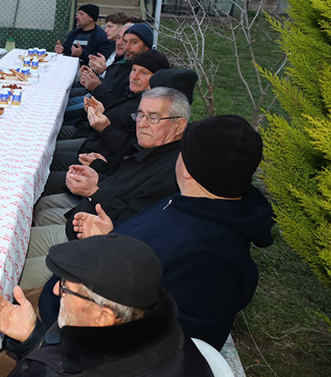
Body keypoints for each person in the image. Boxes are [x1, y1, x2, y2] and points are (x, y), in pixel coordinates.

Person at [70, 115, 273, 349]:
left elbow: (160, 344)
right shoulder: (196, 204)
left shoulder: (207, 257)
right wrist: (112, 235)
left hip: (79, 335)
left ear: (187, 168)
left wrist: (104, 255)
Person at [0, 235, 211, 377]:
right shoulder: (170, 334)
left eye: (65, 287)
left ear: (102, 318)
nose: (54, 290)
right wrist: (33, 338)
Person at [22, 87, 191, 289]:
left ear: (179, 125)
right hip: (81, 223)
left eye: (153, 117)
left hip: (92, 252)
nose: (142, 124)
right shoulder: (155, 150)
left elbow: (133, 223)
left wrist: (95, 192)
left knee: (16, 261)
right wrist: (97, 174)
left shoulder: (172, 171)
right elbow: (123, 185)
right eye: (140, 115)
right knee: (23, 233)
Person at [51, 50, 170, 171]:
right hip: (92, 142)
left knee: (47, 153)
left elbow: (129, 150)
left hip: (99, 161)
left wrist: (104, 128)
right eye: (133, 69)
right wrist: (99, 111)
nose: (134, 76)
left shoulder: (149, 109)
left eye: (144, 72)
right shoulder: (135, 94)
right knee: (48, 136)